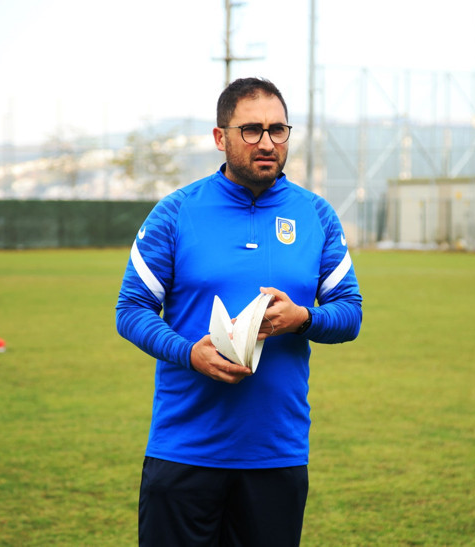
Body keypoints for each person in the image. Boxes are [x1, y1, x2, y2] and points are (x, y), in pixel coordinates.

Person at [115, 77, 362, 546]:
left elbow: (350, 312)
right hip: (184, 452)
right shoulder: (176, 212)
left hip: (276, 455)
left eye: (278, 130)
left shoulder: (316, 216)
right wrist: (191, 354)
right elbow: (131, 309)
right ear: (220, 137)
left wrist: (304, 319)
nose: (267, 143)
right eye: (251, 130)